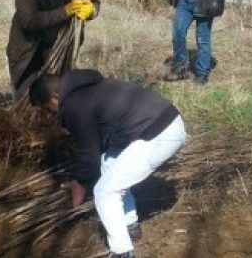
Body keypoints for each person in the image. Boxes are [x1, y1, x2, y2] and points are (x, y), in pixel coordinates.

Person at [29, 69, 188, 258]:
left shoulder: (74, 104)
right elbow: (99, 147)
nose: (50, 114)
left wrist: (80, 184)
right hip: (166, 122)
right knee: (109, 162)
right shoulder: (86, 86)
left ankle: (122, 252)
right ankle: (129, 225)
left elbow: (89, 153)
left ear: (55, 97)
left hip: (159, 136)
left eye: (47, 108)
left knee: (104, 191)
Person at [7, 0, 99, 95]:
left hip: (60, 43)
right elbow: (30, 22)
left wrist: (91, 11)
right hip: (28, 45)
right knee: (26, 91)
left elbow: (94, 2)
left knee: (57, 91)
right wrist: (65, 11)